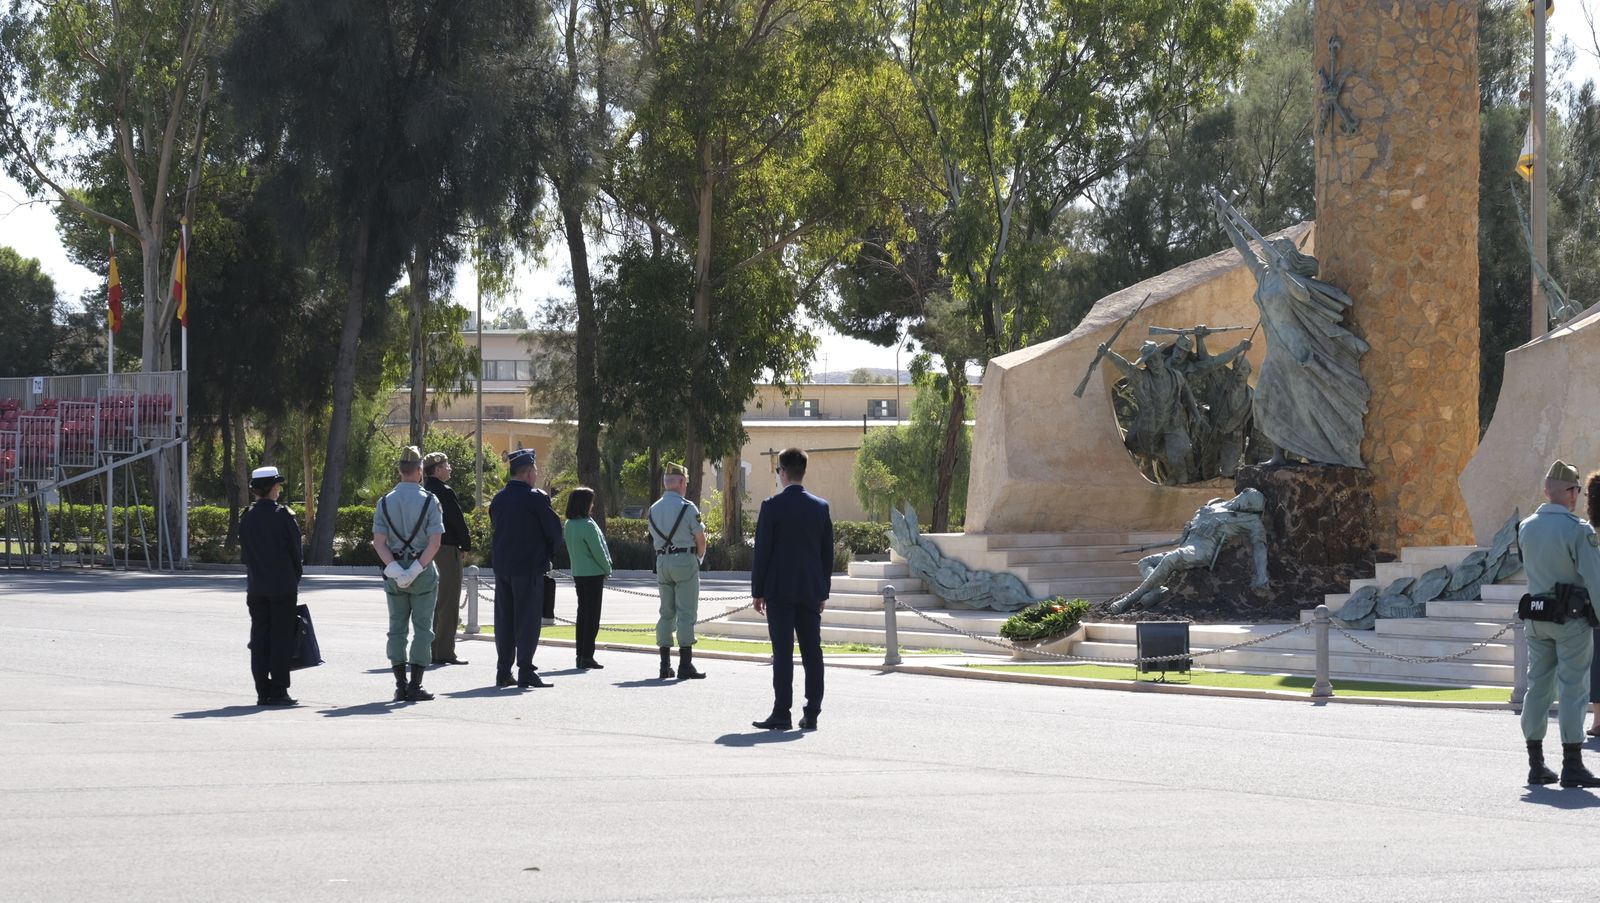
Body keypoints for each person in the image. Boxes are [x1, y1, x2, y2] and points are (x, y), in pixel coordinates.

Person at [1518, 460, 1600, 788]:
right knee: (1573, 689)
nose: (1578, 496)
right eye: (1576, 490)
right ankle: (1572, 764)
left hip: (1536, 618)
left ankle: (1536, 763)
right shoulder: (1578, 530)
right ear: (1568, 492)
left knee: (1537, 688)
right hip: (1570, 620)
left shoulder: (1526, 526)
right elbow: (1595, 580)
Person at [750, 448, 834, 731]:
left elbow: (762, 552)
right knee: (812, 651)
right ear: (803, 472)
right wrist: (824, 591)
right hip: (810, 589)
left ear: (783, 472)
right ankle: (812, 712)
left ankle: (781, 712)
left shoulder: (771, 506)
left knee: (782, 652)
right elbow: (827, 555)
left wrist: (757, 591)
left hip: (779, 590)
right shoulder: (821, 507)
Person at [373, 446, 445, 703]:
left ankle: (400, 685)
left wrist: (395, 570)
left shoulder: (384, 501)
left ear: (400, 470)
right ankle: (415, 684)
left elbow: (379, 542)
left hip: (394, 571)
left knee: (396, 628)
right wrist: (415, 569)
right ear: (419, 471)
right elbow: (434, 542)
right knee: (423, 628)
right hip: (422, 570)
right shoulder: (430, 500)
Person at [489, 448, 563, 688]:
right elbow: (553, 532)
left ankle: (503, 670)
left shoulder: (499, 498)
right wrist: (548, 555)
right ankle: (526, 670)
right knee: (528, 621)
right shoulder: (536, 497)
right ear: (529, 472)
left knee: (505, 620)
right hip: (529, 567)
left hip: (503, 567)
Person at [238, 465, 303, 706]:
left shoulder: (247, 516)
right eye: (277, 484)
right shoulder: (283, 516)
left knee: (259, 638)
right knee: (280, 639)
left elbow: (245, 555)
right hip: (282, 586)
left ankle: (261, 690)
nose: (279, 489)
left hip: (256, 587)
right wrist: (293, 578)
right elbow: (297, 555)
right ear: (271, 487)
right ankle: (279, 689)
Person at [649, 467, 708, 680]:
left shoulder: (653, 509)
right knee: (686, 613)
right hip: (684, 560)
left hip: (662, 561)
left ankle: (664, 666)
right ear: (682, 482)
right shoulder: (688, 507)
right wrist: (698, 559)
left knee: (666, 613)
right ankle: (685, 664)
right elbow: (701, 540)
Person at [423, 451, 472, 666]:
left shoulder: (423, 491)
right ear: (438, 469)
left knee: (432, 602)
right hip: (446, 549)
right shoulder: (444, 491)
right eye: (447, 465)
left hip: (425, 551)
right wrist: (466, 544)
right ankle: (444, 651)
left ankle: (430, 648)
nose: (449, 468)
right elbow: (456, 520)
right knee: (449, 602)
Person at [563, 487, 613, 670]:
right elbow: (598, 550)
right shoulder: (588, 525)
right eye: (591, 501)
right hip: (593, 574)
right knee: (592, 617)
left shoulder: (569, 524)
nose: (593, 504)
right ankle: (588, 655)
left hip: (578, 572)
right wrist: (607, 568)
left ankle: (580, 654)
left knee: (582, 615)